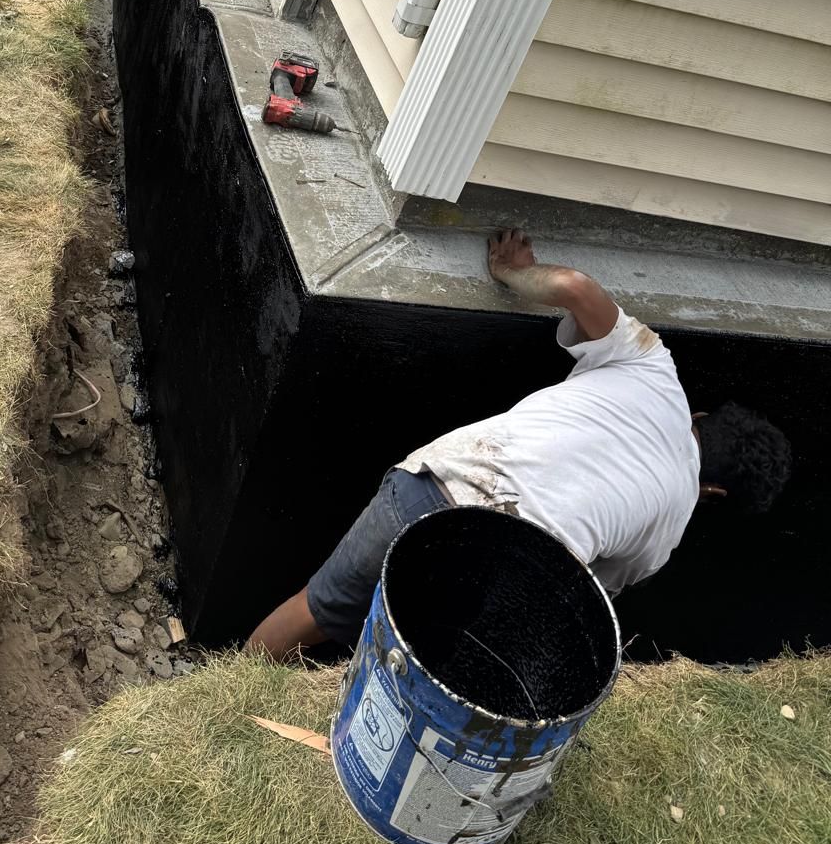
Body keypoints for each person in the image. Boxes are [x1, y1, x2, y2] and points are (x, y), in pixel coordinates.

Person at [247, 228, 792, 661]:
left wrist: (510, 270)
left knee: (317, 609)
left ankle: (231, 690)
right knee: (417, 663)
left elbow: (576, 288)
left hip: (446, 481)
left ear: (701, 414)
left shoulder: (654, 368)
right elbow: (574, 590)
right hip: (497, 562)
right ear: (714, 492)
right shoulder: (665, 537)